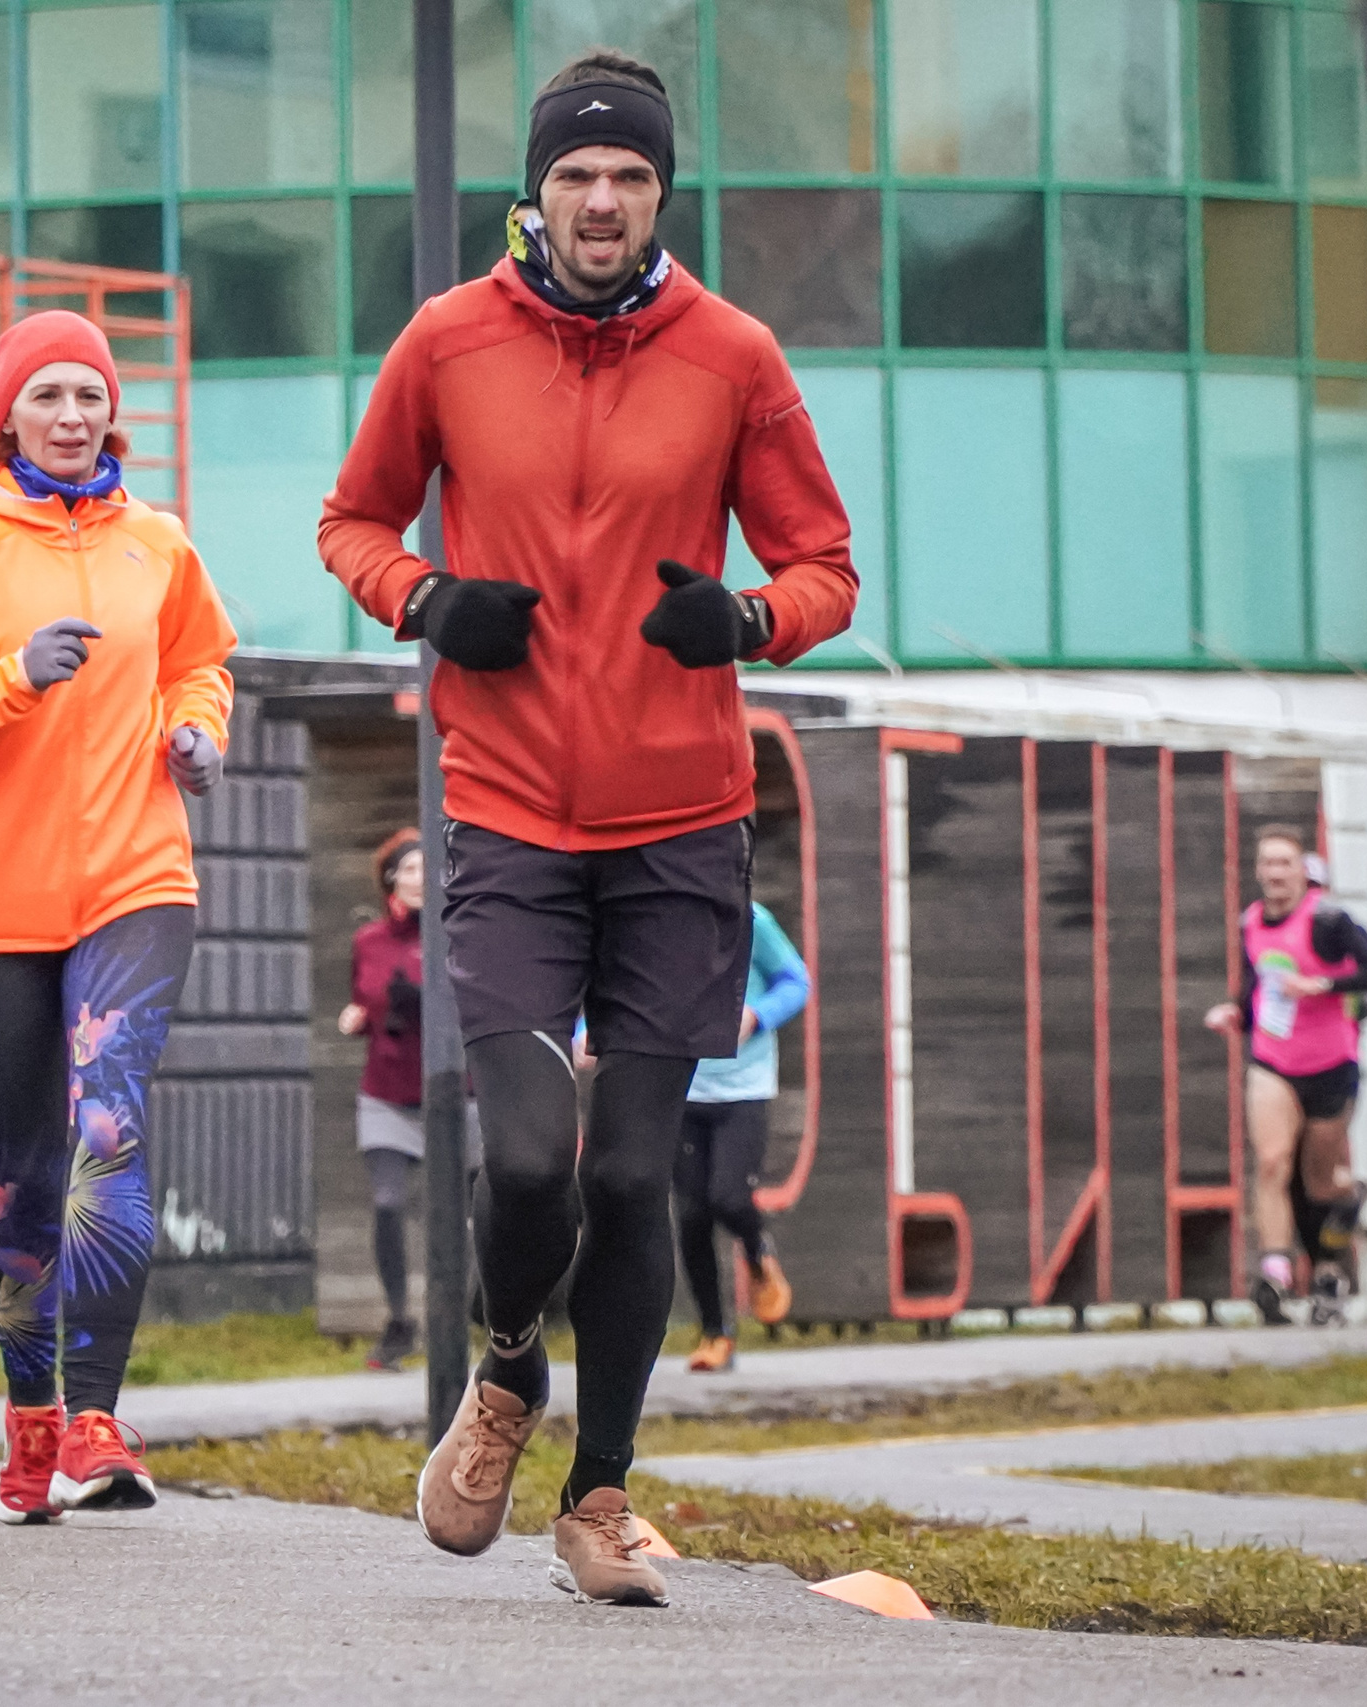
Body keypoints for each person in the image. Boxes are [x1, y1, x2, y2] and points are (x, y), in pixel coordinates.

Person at [319, 50, 856, 1607]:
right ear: (537, 191)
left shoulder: (734, 352)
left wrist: (744, 616)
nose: (602, 201)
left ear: (661, 194)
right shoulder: (448, 342)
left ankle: (599, 1497)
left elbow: (826, 562)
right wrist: (429, 600)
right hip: (503, 816)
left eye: (629, 178)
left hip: (684, 822)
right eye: (577, 177)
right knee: (534, 1156)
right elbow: (352, 520)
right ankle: (503, 1373)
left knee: (635, 1178)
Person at [0, 309, 237, 1527]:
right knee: (23, 1171)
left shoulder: (159, 543)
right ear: (8, 415)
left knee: (107, 1123)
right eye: (45, 395)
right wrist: (10, 680)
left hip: (136, 880)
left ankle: (97, 1416)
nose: (69, 415)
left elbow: (200, 663)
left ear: (111, 412)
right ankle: (30, 1415)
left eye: (87, 396)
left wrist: (200, 732)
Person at [1203, 827, 1367, 1326]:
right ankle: (1276, 1271)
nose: (1276, 873)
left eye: (1286, 863)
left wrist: (1320, 984)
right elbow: (1256, 985)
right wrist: (1234, 1012)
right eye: (1268, 864)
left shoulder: (1328, 921)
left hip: (1330, 1062)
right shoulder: (1252, 922)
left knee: (1321, 1182)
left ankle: (1339, 1237)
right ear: (1258, 871)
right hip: (1274, 1061)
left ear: (1302, 870)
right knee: (1272, 1163)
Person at [675, 901, 807, 1373]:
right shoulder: (655, 917)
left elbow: (796, 983)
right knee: (691, 1217)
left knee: (729, 1198)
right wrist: (587, 1030)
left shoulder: (751, 920)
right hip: (679, 1089)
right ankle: (716, 1334)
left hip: (743, 1090)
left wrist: (757, 1015)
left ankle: (757, 1251)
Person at [337, 829, 429, 1370]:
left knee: (483, 1208)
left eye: (426, 868)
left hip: (454, 1095)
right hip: (386, 1094)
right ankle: (398, 1322)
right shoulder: (368, 940)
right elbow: (362, 998)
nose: (418, 878)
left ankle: (488, 1316)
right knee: (389, 1204)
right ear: (392, 879)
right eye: (408, 869)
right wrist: (358, 1017)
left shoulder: (457, 932)